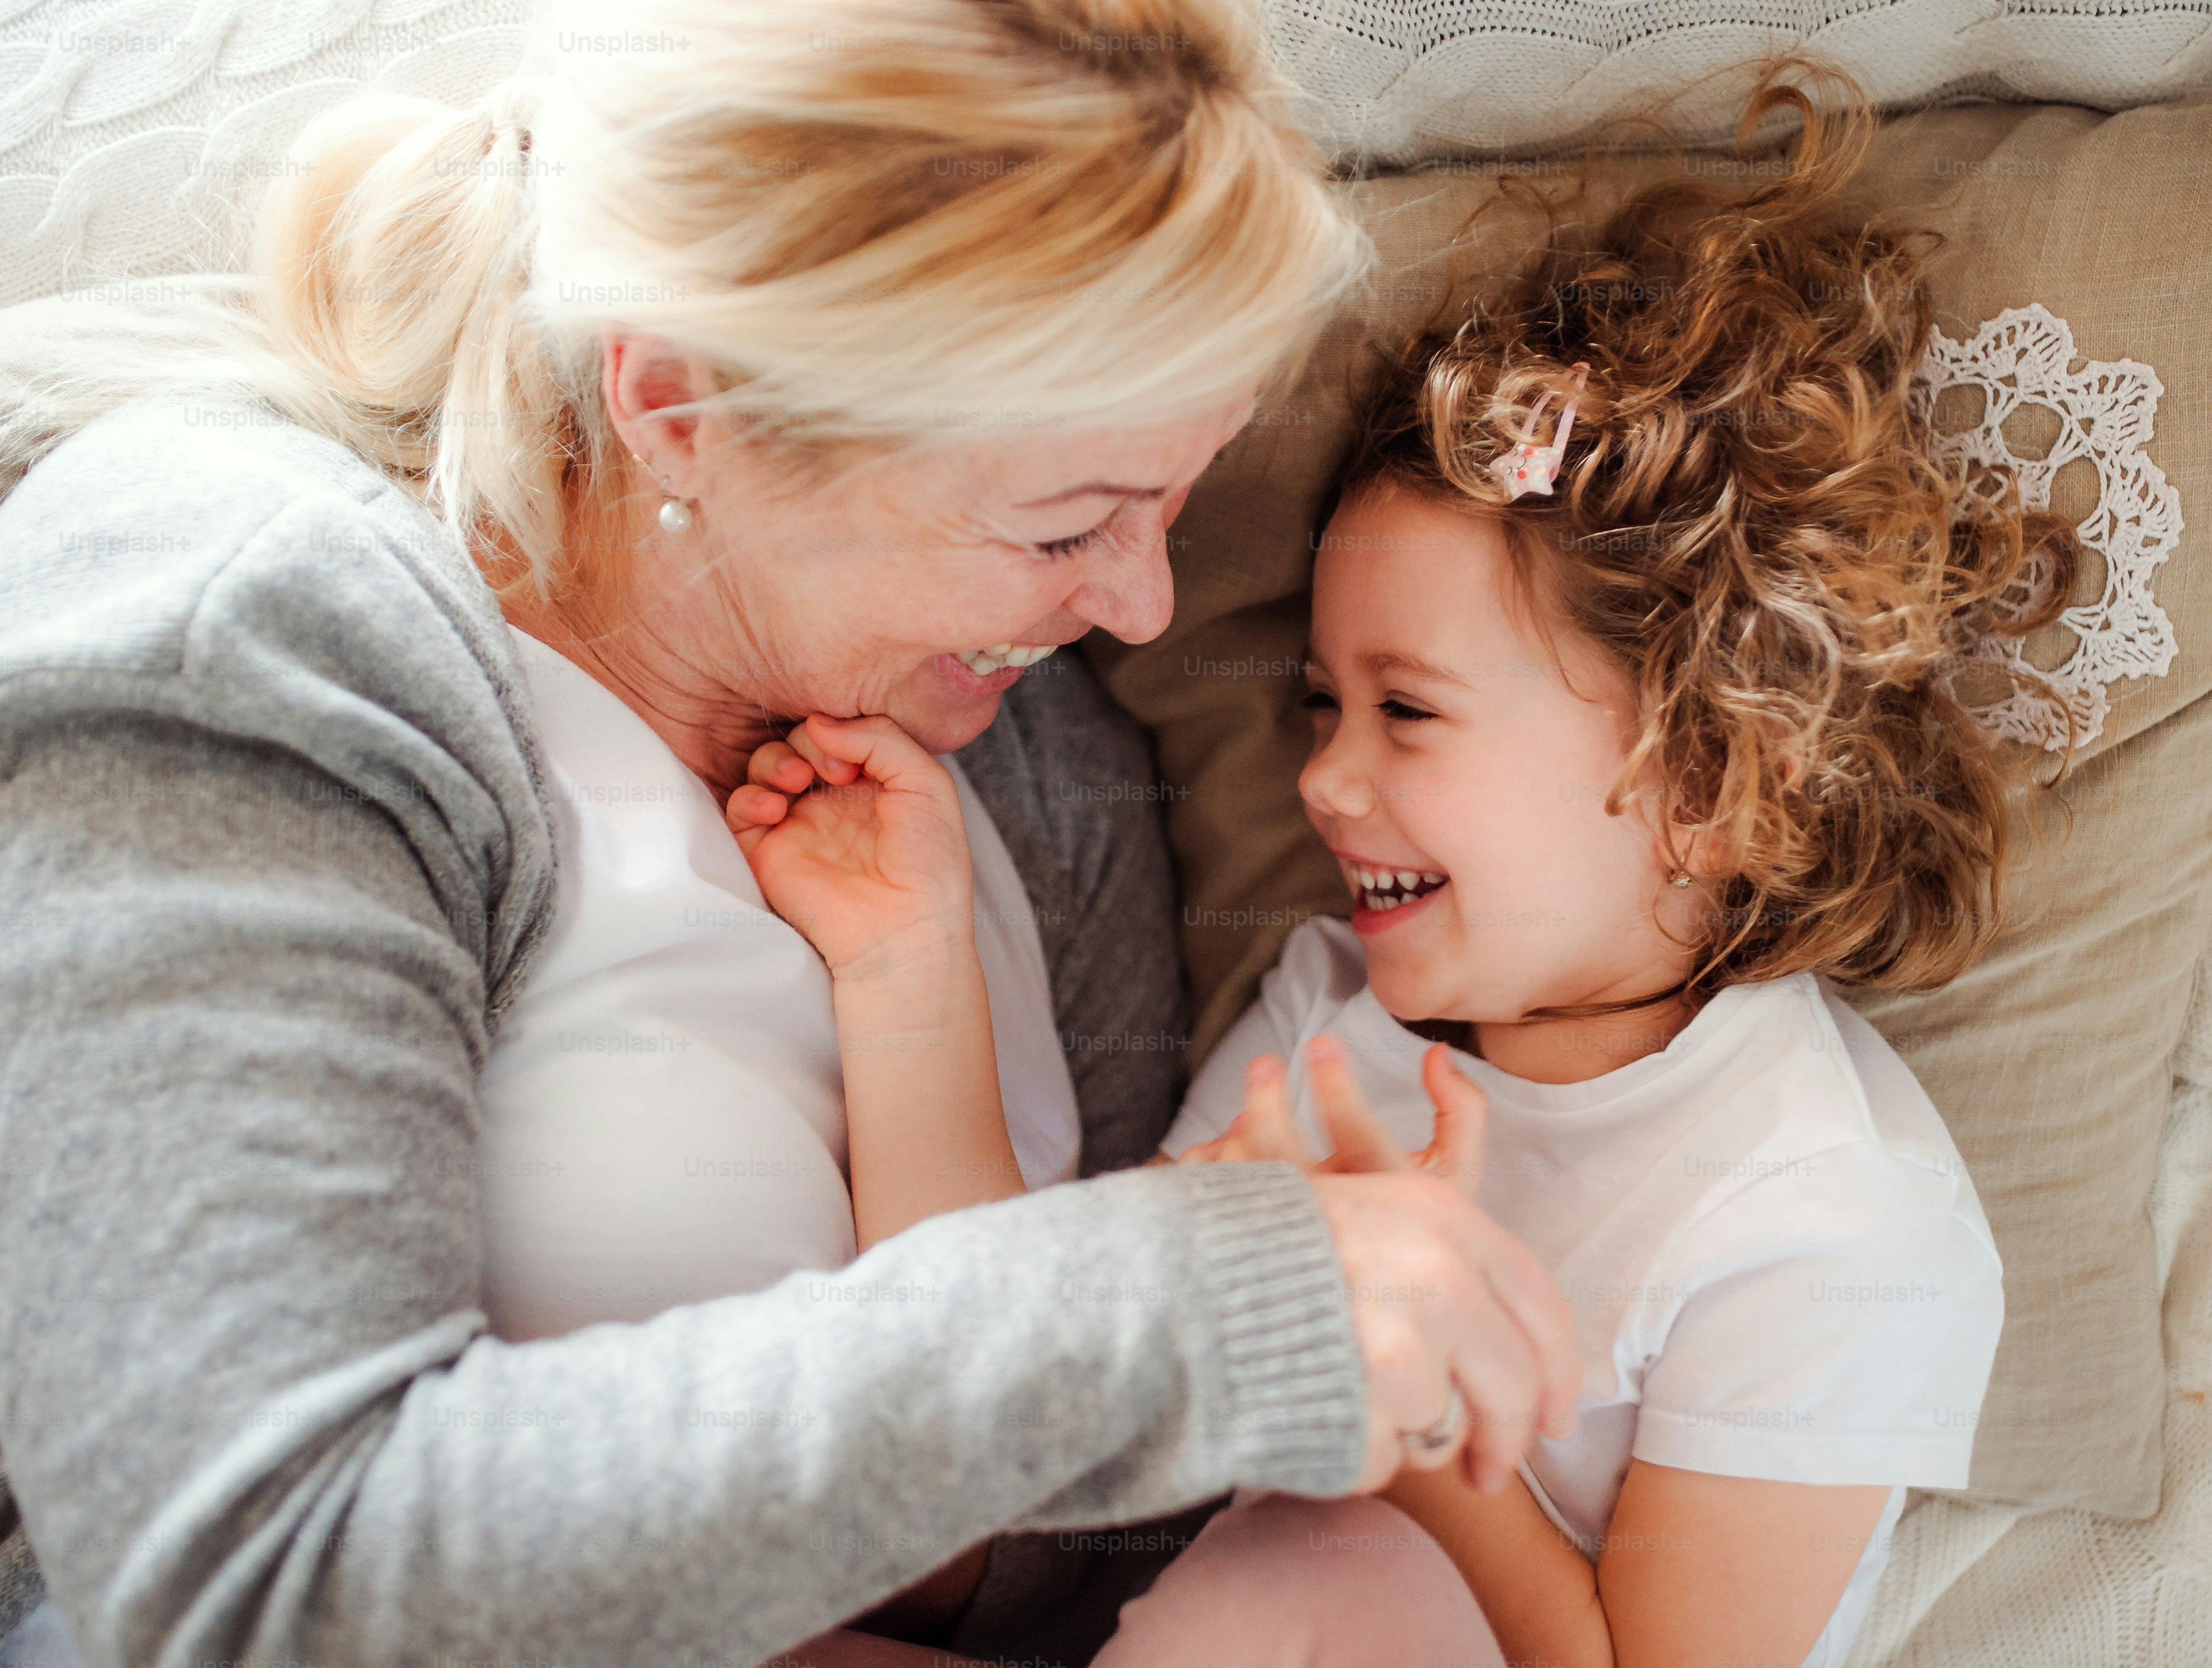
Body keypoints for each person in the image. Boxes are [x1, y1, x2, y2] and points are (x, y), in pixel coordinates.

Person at [0, 0, 1581, 1663]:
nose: (1140, 604)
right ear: (681, 406)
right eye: (1066, 523)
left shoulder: (1045, 773)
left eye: (1174, 498)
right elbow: (259, 1590)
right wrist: (1152, 1310)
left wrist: (1218, 1286)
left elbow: (1040, 1588)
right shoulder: (256, 621)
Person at [1159, 67, 2082, 1668]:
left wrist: (1416, 1414)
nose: (1321, 774)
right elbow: (1069, 1392)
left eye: (1407, 710)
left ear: (1714, 784)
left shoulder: (1822, 1219)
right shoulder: (1329, 1026)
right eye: (1319, 703)